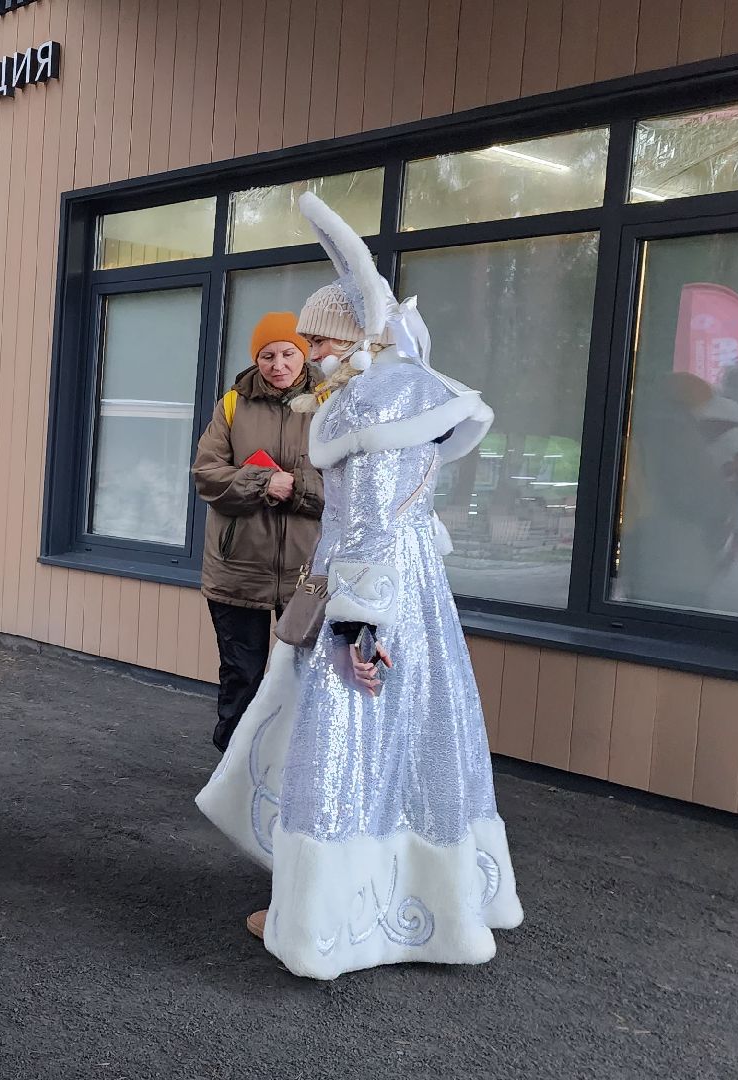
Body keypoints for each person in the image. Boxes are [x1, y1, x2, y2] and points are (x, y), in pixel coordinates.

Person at [197, 192, 523, 980]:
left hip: (367, 599)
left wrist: (356, 625)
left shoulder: (370, 407)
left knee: (340, 750)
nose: (307, 353)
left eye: (316, 338)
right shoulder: (400, 397)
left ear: (348, 339)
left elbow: (371, 526)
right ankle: (423, 903)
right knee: (413, 747)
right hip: (411, 598)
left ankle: (320, 917)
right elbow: (411, 517)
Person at [193, 312, 325, 751]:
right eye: (267, 355)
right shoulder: (234, 403)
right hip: (237, 569)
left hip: (307, 574)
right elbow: (206, 474)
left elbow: (351, 486)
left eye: (288, 353)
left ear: (303, 355)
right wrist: (264, 482)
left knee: (305, 678)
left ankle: (292, 775)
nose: (278, 364)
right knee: (241, 676)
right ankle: (233, 772)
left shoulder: (332, 401)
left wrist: (300, 486)